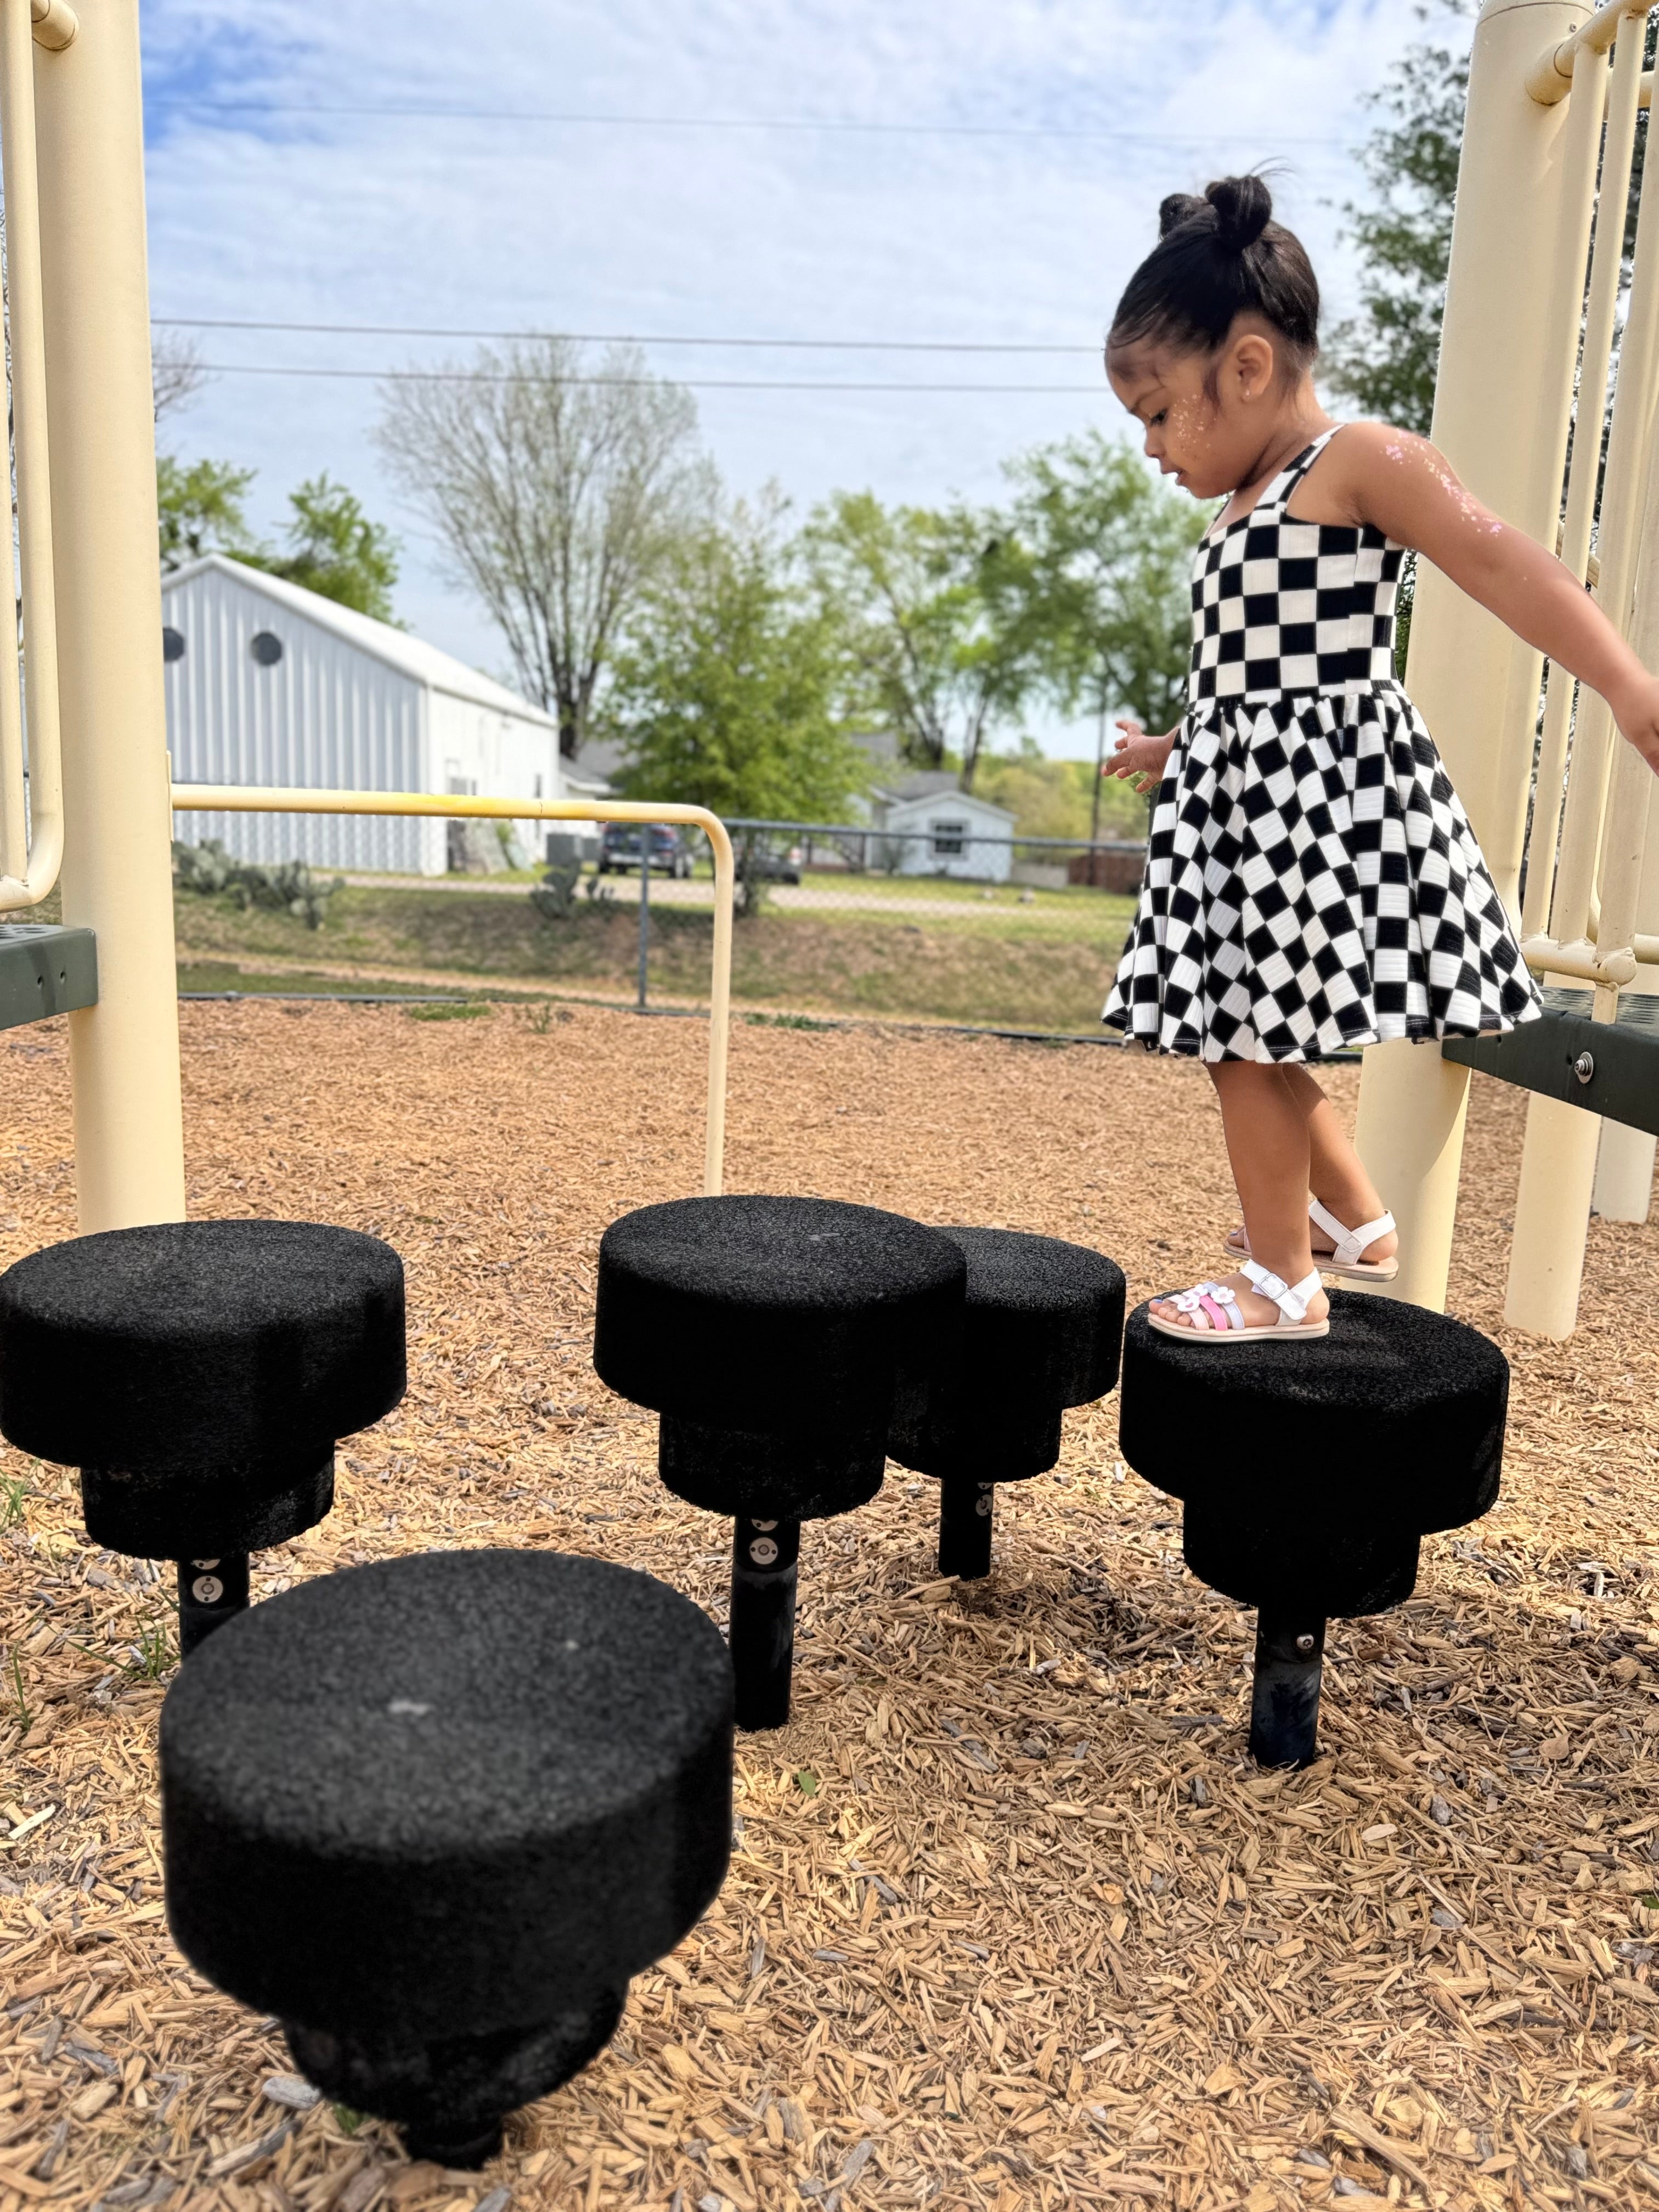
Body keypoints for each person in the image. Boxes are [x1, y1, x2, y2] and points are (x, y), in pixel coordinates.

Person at [1100, 174, 1659, 1345]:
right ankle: (1352, 1221)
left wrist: (1623, 682)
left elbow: (1501, 560)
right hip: (1239, 802)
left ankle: (1282, 1284)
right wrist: (1174, 743)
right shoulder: (1240, 507)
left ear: (1247, 366)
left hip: (1309, 808)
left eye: (1157, 413)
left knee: (1241, 1039)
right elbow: (1248, 676)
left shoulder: (1353, 461)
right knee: (1245, 1034)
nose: (1150, 447)